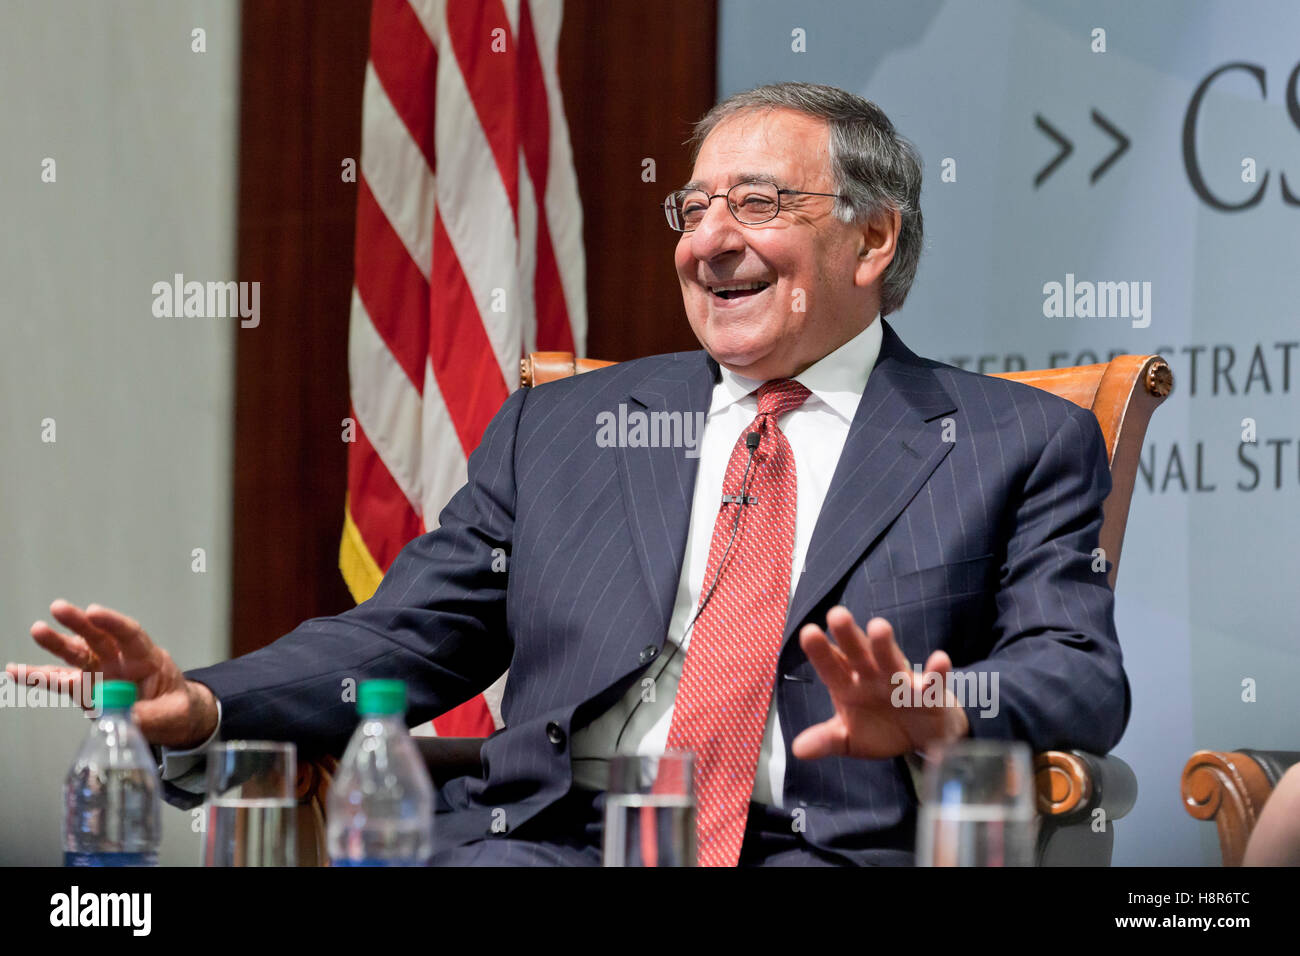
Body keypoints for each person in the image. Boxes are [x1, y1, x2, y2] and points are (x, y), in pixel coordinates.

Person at [8, 82, 1129, 866]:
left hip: (817, 848)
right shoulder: (566, 426)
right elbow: (402, 639)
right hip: (540, 844)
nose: (707, 238)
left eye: (756, 203)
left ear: (871, 241)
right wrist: (205, 701)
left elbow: (1078, 677)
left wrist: (933, 701)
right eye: (692, 207)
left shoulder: (1008, 441)